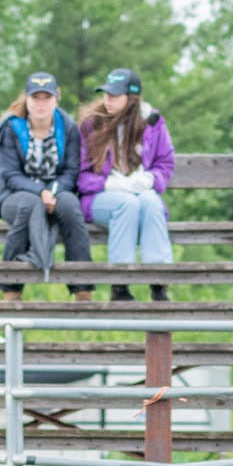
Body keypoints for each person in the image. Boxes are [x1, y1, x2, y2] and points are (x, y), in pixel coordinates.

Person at [0, 72, 93, 302]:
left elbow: (71, 171)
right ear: (26, 100)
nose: (40, 103)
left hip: (57, 192)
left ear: (56, 99)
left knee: (70, 205)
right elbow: (10, 174)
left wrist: (53, 193)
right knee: (29, 205)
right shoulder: (12, 128)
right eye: (35, 97)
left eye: (46, 97)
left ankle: (83, 288)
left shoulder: (67, 128)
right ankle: (11, 287)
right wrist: (41, 193)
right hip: (15, 196)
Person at [77, 68, 175, 302]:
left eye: (115, 95)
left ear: (131, 99)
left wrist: (149, 180)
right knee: (126, 203)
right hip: (99, 198)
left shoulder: (153, 122)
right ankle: (120, 284)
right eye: (106, 94)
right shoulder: (92, 124)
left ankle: (159, 282)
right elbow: (79, 176)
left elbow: (165, 163)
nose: (107, 100)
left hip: (139, 193)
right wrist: (109, 184)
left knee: (152, 202)